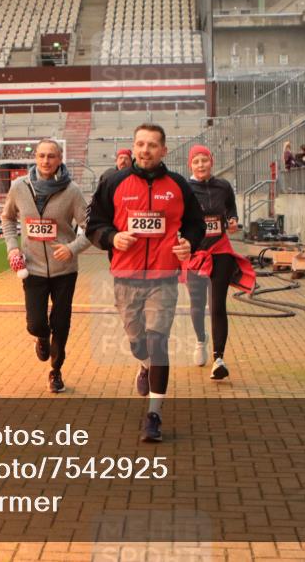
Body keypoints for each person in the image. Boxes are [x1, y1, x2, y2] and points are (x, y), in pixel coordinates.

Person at [87, 123, 206, 442]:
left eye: (152, 145)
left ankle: (154, 415)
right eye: (140, 144)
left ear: (164, 150)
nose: (145, 150)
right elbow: (93, 225)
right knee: (138, 343)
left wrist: (188, 245)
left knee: (158, 343)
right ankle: (143, 365)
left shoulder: (179, 185)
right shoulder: (113, 182)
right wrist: (113, 237)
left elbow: (197, 225)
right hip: (125, 277)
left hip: (164, 278)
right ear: (133, 146)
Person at [1, 139, 90, 393]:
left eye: (51, 156)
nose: (46, 161)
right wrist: (12, 246)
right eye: (41, 156)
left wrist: (72, 248)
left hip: (65, 270)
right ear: (35, 158)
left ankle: (56, 371)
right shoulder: (19, 187)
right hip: (32, 268)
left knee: (61, 323)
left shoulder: (72, 191)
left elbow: (89, 226)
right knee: (36, 323)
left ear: (60, 158)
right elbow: (7, 218)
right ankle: (41, 336)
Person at [182, 145, 254, 379]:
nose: (201, 165)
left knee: (217, 304)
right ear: (190, 165)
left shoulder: (223, 186)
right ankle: (200, 341)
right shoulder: (185, 188)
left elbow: (231, 207)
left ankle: (218, 358)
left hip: (220, 250)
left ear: (211, 161)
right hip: (195, 252)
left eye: (204, 160)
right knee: (197, 303)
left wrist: (232, 220)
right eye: (196, 161)